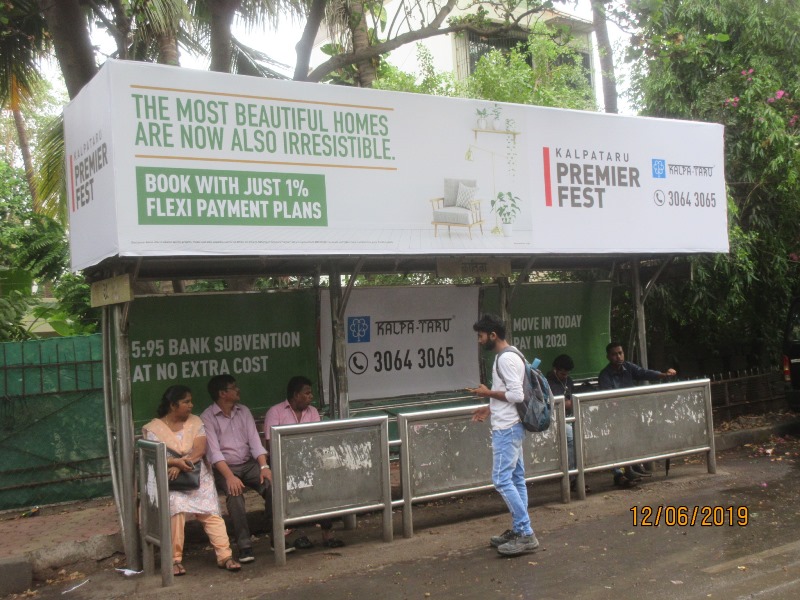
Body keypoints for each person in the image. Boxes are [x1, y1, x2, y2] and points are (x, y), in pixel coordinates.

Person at [142, 385, 241, 575]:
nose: (191, 405)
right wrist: (174, 462)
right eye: (186, 402)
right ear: (173, 405)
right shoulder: (154, 428)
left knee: (211, 512)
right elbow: (153, 456)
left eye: (190, 401)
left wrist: (181, 464)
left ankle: (225, 556)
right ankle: (174, 560)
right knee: (176, 508)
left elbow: (199, 450)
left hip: (197, 475)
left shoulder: (195, 422)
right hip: (171, 480)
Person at [469, 314, 540, 556]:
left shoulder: (506, 358)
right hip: (512, 425)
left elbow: (516, 395)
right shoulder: (513, 354)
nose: (479, 340)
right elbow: (509, 393)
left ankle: (526, 533)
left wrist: (487, 393)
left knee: (501, 479)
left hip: (507, 428)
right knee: (517, 479)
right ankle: (520, 529)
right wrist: (489, 407)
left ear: (493, 335)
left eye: (481, 336)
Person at [201, 374, 282, 563]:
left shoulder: (243, 411)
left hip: (248, 464)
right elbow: (214, 453)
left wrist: (264, 466)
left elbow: (255, 442)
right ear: (222, 393)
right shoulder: (207, 417)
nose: (238, 390)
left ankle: (277, 538)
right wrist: (229, 477)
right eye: (233, 387)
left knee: (272, 485)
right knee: (235, 494)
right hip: (225, 468)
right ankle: (245, 545)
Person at [263, 375, 345, 549]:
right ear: (295, 395)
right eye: (307, 393)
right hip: (284, 464)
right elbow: (272, 445)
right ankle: (300, 535)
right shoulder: (275, 412)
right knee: (289, 486)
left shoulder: (312, 412)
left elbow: (316, 439)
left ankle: (327, 533)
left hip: (309, 461)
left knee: (326, 481)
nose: (311, 396)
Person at [598, 342, 677, 487]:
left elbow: (644, 373)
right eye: (614, 354)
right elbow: (607, 399)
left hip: (630, 413)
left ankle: (633, 466)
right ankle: (623, 472)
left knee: (635, 436)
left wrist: (664, 375)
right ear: (608, 357)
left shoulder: (628, 367)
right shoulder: (605, 375)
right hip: (614, 417)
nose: (618, 356)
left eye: (620, 353)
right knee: (621, 439)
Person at [545, 354, 588, 494]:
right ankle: (572, 477)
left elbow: (572, 400)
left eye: (567, 373)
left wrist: (570, 404)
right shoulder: (547, 382)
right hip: (554, 420)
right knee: (571, 436)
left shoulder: (568, 380)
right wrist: (568, 404)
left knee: (584, 432)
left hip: (570, 417)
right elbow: (557, 404)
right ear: (555, 370)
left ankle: (581, 474)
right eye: (562, 373)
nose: (565, 376)